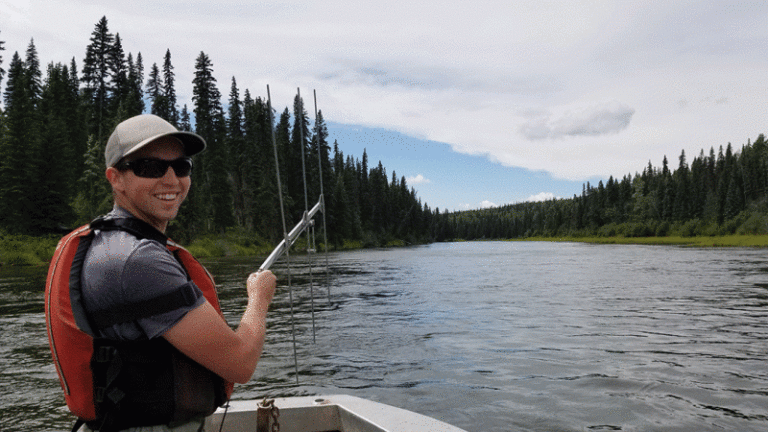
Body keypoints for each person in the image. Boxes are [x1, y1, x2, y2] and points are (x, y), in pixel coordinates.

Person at [45, 114, 276, 432]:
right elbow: (240, 362)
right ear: (116, 178)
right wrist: (258, 297)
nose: (171, 180)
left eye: (181, 167)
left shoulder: (109, 243)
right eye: (149, 168)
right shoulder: (137, 260)